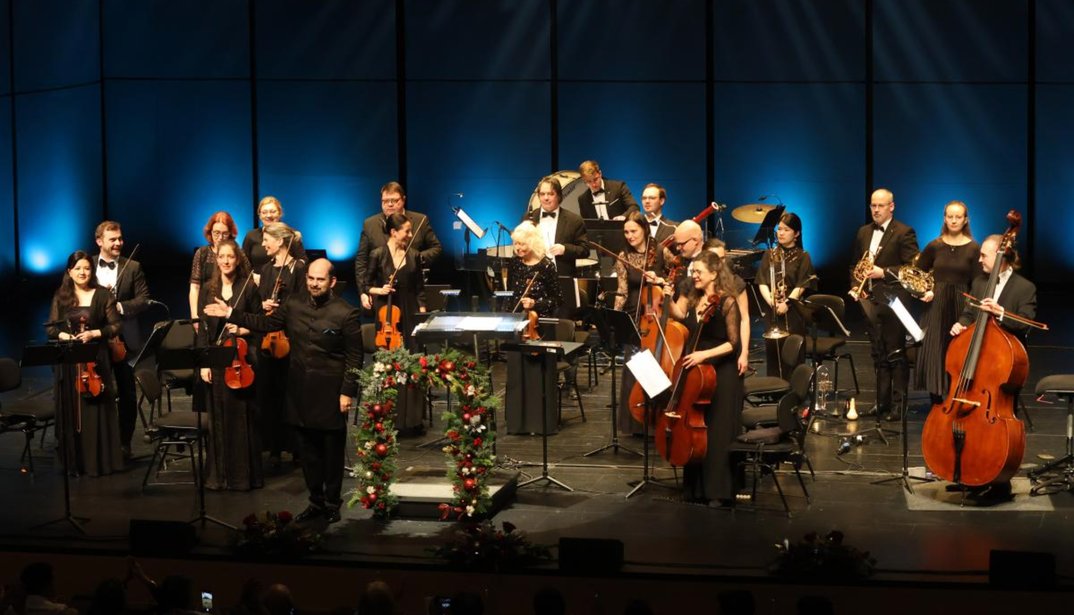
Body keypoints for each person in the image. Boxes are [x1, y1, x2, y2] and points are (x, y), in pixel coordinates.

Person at [205, 259, 362, 523]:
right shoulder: (294, 303)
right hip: (299, 390)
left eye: (320, 279)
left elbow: (355, 358)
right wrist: (231, 313)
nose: (313, 283)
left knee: (331, 452)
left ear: (332, 282)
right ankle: (316, 502)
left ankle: (333, 503)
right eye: (310, 278)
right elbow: (265, 324)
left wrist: (347, 392)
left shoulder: (346, 312)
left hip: (330, 392)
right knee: (308, 452)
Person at [667, 251, 743, 507]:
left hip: (721, 371)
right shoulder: (695, 297)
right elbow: (678, 316)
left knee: (718, 433)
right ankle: (696, 488)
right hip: (698, 373)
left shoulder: (727, 302)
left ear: (713, 273)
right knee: (697, 427)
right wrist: (668, 296)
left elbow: (734, 344)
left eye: (699, 271)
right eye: (693, 271)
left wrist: (703, 355)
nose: (694, 275)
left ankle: (718, 491)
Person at [47, 251, 124, 477]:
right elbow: (51, 327)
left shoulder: (102, 295)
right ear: (69, 272)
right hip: (69, 362)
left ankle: (98, 462)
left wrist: (95, 333)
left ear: (92, 271)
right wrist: (64, 336)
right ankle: (74, 463)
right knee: (72, 410)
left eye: (87, 268)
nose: (83, 272)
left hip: (96, 361)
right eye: (78, 268)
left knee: (96, 411)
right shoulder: (61, 296)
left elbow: (116, 326)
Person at [196, 239, 263, 491]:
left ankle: (243, 477)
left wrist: (242, 327)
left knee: (242, 418)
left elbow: (260, 324)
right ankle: (219, 476)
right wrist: (203, 363)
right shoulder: (207, 288)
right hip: (216, 359)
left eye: (230, 257)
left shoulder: (248, 288)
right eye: (222, 256)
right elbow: (202, 328)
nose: (226, 261)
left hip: (242, 359)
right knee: (219, 419)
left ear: (238, 260)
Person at [849, 188, 919, 421]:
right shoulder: (863, 232)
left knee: (896, 354)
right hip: (869, 300)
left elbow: (912, 270)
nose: (876, 210)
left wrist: (884, 272)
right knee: (878, 354)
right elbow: (854, 265)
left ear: (892, 206)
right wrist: (855, 285)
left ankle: (899, 405)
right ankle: (881, 403)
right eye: (873, 205)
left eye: (881, 205)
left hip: (894, 301)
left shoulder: (904, 232)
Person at [364, 212, 428, 435]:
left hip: (409, 313)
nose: (410, 235)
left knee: (411, 364)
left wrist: (421, 316)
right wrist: (379, 290)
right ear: (393, 232)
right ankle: (388, 415)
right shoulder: (378, 254)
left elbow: (420, 289)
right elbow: (366, 285)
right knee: (389, 363)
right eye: (407, 231)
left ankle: (412, 419)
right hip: (387, 314)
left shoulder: (414, 255)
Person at [94, 220, 151, 461]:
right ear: (99, 242)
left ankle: (124, 442)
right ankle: (97, 441)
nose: (118, 243)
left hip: (124, 339)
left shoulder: (132, 266)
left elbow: (144, 299)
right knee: (96, 391)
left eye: (120, 239)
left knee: (127, 394)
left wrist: (117, 305)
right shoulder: (85, 265)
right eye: (112, 239)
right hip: (95, 340)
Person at [914, 201, 980, 401]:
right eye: (950, 216)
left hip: (962, 304)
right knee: (935, 349)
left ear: (965, 219)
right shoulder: (934, 245)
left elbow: (977, 284)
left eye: (958, 217)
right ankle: (936, 401)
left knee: (958, 351)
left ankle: (956, 398)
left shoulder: (974, 248)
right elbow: (917, 275)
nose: (953, 220)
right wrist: (925, 290)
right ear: (944, 218)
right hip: (936, 305)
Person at [257, 222, 307, 470]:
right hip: (269, 337)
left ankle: (296, 448)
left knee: (293, 395)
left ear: (280, 241)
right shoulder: (266, 270)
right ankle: (274, 447)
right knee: (271, 394)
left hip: (291, 338)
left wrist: (282, 308)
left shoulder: (299, 268)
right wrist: (264, 305)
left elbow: (302, 304)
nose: (263, 244)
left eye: (267, 239)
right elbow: (258, 301)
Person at [354, 181, 442, 311]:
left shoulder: (420, 220)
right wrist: (363, 292)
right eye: (385, 201)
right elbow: (361, 261)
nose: (389, 204)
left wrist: (415, 259)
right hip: (381, 292)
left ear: (403, 200)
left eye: (394, 201)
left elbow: (436, 248)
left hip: (410, 290)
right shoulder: (370, 224)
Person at [755, 213, 817, 377]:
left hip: (793, 309)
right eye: (779, 229)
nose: (780, 233)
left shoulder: (803, 256)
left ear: (796, 233)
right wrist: (772, 303)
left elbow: (802, 284)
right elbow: (761, 281)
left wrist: (787, 304)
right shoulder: (769, 254)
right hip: (772, 308)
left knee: (793, 350)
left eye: (786, 230)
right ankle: (774, 387)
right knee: (773, 351)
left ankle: (795, 389)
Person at [950, 234, 1037, 338]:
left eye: (984, 255)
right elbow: (968, 314)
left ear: (1000, 256)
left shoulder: (1025, 287)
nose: (979, 260)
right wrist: (961, 324)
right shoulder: (978, 282)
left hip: (1005, 351)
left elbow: (1025, 325)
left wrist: (1000, 312)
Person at [523, 175, 589, 278]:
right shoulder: (529, 217)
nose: (546, 198)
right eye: (542, 194)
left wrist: (564, 249)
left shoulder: (574, 220)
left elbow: (584, 250)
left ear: (558, 196)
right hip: (533, 277)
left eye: (550, 194)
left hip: (562, 277)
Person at [189, 211, 251, 322]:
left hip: (232, 310)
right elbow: (195, 287)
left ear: (231, 234)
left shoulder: (239, 253)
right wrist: (195, 317)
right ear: (210, 233)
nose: (220, 237)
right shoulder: (202, 253)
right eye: (216, 233)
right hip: (206, 310)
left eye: (225, 233)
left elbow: (248, 282)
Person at [704, 238, 751, 377]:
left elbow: (744, 319)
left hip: (730, 349)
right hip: (707, 345)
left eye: (723, 258)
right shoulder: (699, 282)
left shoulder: (735, 282)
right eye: (715, 258)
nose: (720, 263)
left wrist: (745, 353)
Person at [614, 212, 667, 315]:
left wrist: (660, 280)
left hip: (656, 312)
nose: (629, 236)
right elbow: (622, 292)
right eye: (626, 232)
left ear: (645, 229)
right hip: (633, 311)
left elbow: (674, 281)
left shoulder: (660, 251)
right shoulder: (623, 256)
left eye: (633, 231)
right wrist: (615, 315)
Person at [241, 196, 307, 277]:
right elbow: (243, 262)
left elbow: (303, 260)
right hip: (256, 284)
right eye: (264, 212)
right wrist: (251, 277)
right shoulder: (251, 236)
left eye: (273, 212)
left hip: (283, 283)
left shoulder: (291, 235)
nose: (268, 215)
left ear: (280, 213)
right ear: (259, 215)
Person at [507, 221, 561, 318]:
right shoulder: (514, 262)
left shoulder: (546, 266)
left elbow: (557, 300)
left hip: (541, 320)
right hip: (516, 317)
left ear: (533, 243)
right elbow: (509, 294)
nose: (518, 248)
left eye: (522, 244)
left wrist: (535, 303)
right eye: (516, 243)